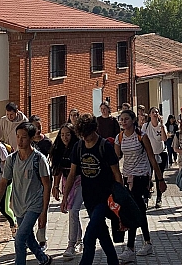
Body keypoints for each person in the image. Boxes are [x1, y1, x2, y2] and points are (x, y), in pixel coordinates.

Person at [62, 113, 122, 265]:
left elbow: (116, 173)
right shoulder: (79, 146)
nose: (85, 139)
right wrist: (65, 197)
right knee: (102, 233)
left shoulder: (105, 147)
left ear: (94, 129)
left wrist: (120, 198)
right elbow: (72, 173)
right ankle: (113, 261)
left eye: (87, 135)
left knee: (89, 237)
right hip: (89, 198)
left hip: (105, 198)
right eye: (82, 135)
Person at [0, 122, 52, 265]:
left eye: (24, 137)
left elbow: (46, 185)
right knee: (28, 238)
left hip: (34, 204)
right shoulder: (11, 159)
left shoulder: (39, 159)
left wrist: (44, 211)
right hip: (18, 205)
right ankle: (44, 259)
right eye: (18, 137)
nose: (20, 141)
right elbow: (3, 182)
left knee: (19, 239)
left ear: (31, 138)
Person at [115, 109, 165, 262]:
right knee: (139, 211)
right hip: (127, 177)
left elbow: (152, 158)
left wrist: (160, 179)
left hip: (141, 177)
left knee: (133, 210)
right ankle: (147, 242)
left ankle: (130, 248)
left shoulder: (141, 137)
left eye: (126, 119)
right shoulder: (120, 137)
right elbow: (116, 158)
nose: (123, 122)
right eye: (121, 119)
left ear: (133, 120)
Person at [49, 123, 83, 259]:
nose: (65, 137)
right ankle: (79, 241)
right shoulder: (58, 149)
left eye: (68, 134)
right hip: (66, 182)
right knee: (72, 212)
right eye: (62, 134)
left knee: (74, 210)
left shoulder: (78, 147)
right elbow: (57, 170)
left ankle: (71, 244)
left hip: (80, 182)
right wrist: (55, 186)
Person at [29, 115, 52, 250]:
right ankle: (30, 239)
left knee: (43, 210)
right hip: (30, 180)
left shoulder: (47, 143)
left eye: (39, 126)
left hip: (44, 179)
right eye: (34, 127)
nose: (38, 129)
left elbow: (53, 161)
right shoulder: (27, 141)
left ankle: (42, 239)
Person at [141, 107, 168, 208]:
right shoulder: (146, 126)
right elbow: (141, 139)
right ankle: (146, 197)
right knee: (147, 176)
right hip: (149, 154)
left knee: (159, 176)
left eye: (156, 112)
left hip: (160, 153)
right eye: (153, 112)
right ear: (149, 115)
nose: (155, 114)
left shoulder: (162, 126)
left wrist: (161, 127)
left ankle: (159, 198)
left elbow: (164, 139)